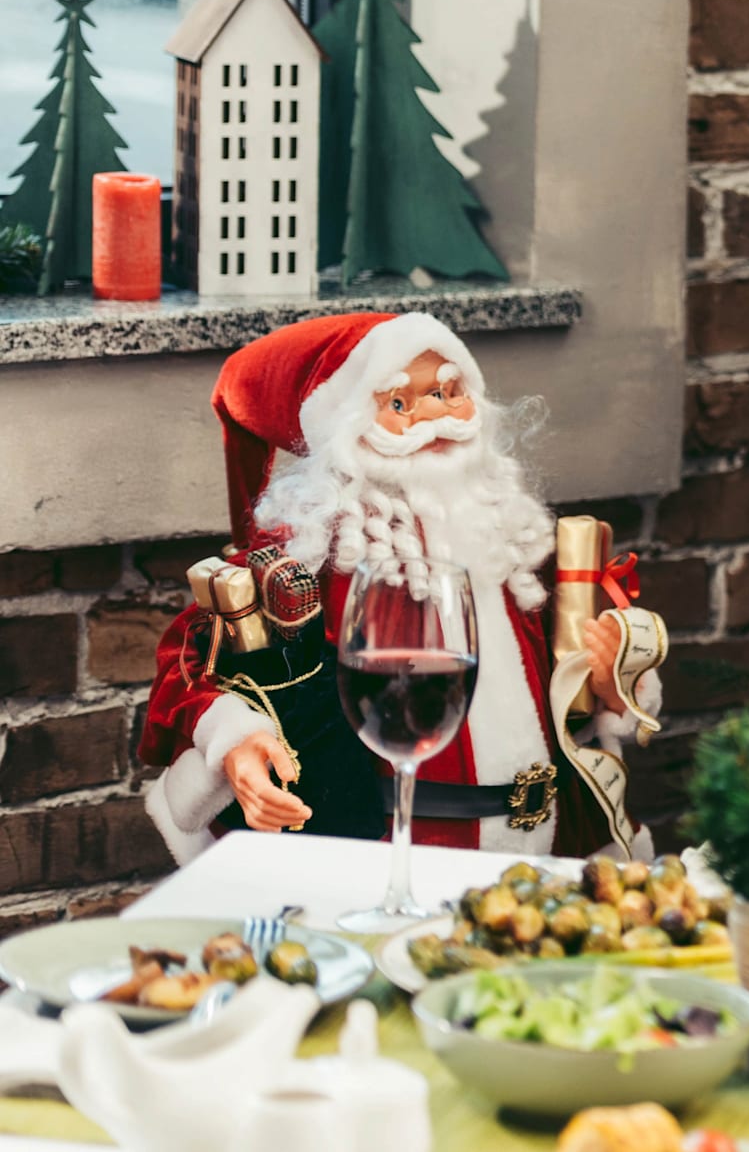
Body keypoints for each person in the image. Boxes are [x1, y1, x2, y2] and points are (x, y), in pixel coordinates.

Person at [139, 311, 666, 861]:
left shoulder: (514, 541)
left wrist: (609, 682)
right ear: (346, 430)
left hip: (549, 845)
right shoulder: (311, 554)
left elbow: (569, 700)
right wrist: (238, 740)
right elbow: (190, 659)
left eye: (449, 391)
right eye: (399, 403)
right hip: (394, 849)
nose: (434, 415)